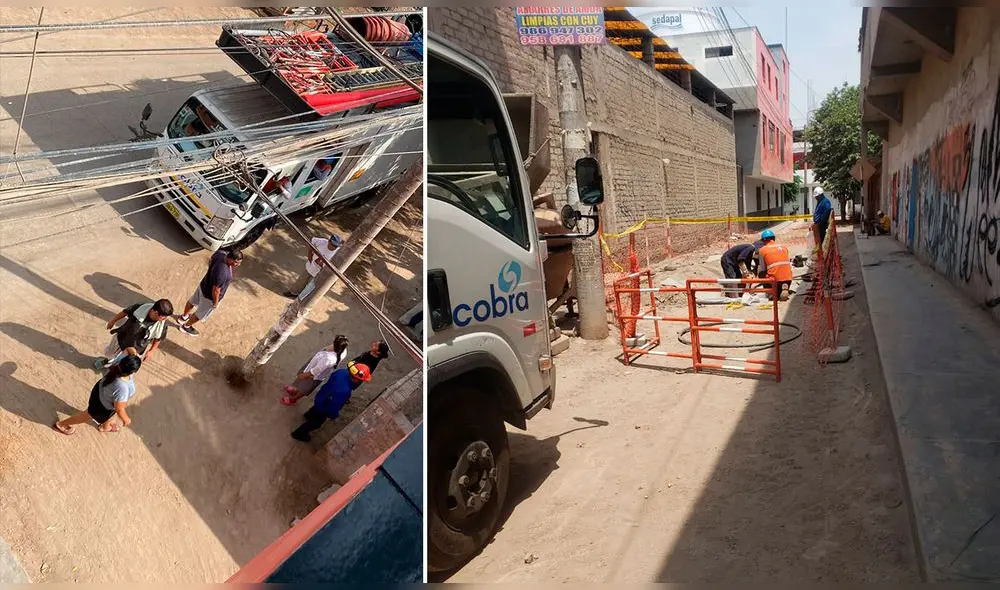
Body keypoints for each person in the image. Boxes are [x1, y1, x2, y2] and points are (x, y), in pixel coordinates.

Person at [54, 355, 141, 435]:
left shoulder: (118, 365)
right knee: (87, 415)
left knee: (107, 412)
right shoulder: (122, 388)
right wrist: (126, 420)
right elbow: (119, 409)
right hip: (102, 406)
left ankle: (105, 426)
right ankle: (61, 425)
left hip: (100, 391)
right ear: (133, 371)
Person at [290, 362, 372, 442]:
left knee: (315, 409)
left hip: (322, 395)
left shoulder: (342, 372)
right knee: (316, 423)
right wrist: (333, 415)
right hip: (324, 407)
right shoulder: (345, 391)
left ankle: (308, 415)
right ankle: (299, 433)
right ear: (356, 380)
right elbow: (333, 407)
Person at [178, 248, 243, 336]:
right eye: (236, 262)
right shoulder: (223, 273)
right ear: (230, 259)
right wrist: (215, 302)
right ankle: (186, 326)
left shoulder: (220, 254)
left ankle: (184, 317)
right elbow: (216, 290)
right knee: (200, 314)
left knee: (192, 301)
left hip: (203, 285)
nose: (238, 264)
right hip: (209, 297)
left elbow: (212, 258)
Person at [95, 298, 173, 371]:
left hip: (136, 348)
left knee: (124, 363)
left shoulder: (162, 325)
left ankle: (114, 369)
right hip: (122, 337)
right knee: (110, 352)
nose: (165, 319)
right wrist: (113, 321)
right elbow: (125, 312)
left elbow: (158, 338)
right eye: (164, 317)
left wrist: (151, 351)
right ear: (155, 313)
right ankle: (107, 360)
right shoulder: (140, 308)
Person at [280, 334, 349, 406]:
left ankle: (293, 399)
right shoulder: (341, 349)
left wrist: (305, 375)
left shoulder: (329, 359)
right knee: (301, 382)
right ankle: (295, 390)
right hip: (311, 366)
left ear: (336, 345)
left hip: (313, 376)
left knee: (304, 388)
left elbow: (317, 370)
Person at [283, 234, 343, 299]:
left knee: (311, 287)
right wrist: (310, 254)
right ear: (329, 241)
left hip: (321, 272)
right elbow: (311, 241)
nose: (334, 247)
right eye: (333, 245)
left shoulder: (339, 252)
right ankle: (293, 293)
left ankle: (302, 299)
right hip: (312, 266)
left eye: (336, 246)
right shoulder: (322, 242)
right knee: (301, 280)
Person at [756, 229, 793, 301]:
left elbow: (763, 268)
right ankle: (785, 286)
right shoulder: (784, 247)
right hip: (788, 278)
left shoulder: (762, 250)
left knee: (761, 273)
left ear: (764, 240)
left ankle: (770, 293)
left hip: (774, 280)